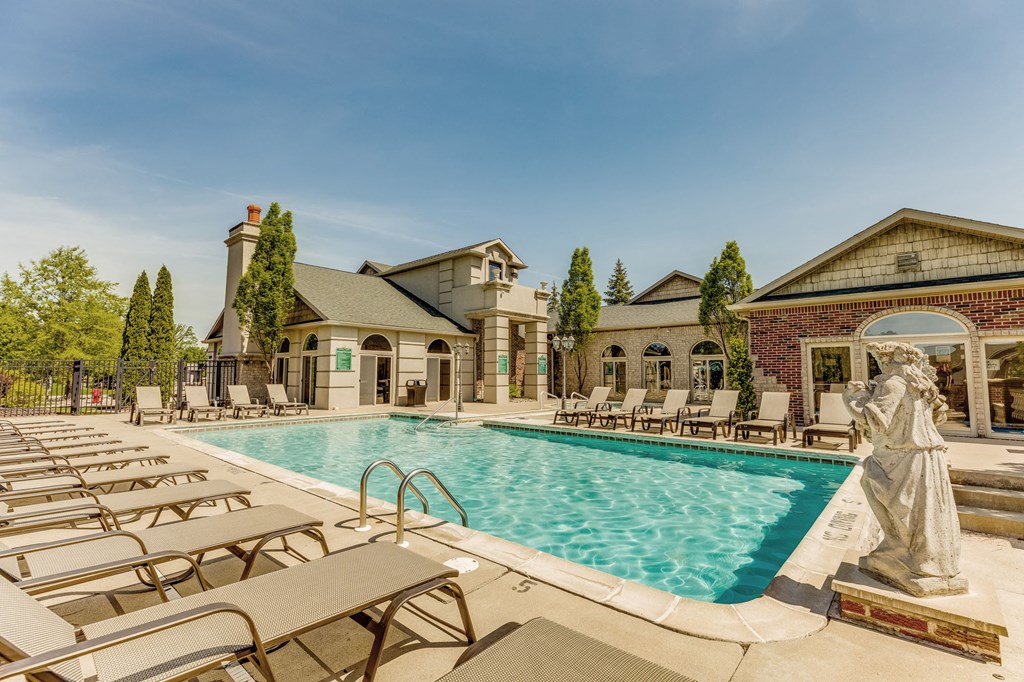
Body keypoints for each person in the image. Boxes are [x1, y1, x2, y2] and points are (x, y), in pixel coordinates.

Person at [842, 341, 966, 596]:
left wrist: (854, 398)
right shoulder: (920, 387)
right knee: (922, 508)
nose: (878, 365)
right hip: (926, 455)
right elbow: (935, 417)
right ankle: (926, 559)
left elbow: (876, 420)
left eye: (879, 360)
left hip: (903, 456)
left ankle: (904, 552)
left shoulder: (893, 383)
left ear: (887, 361)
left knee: (879, 486)